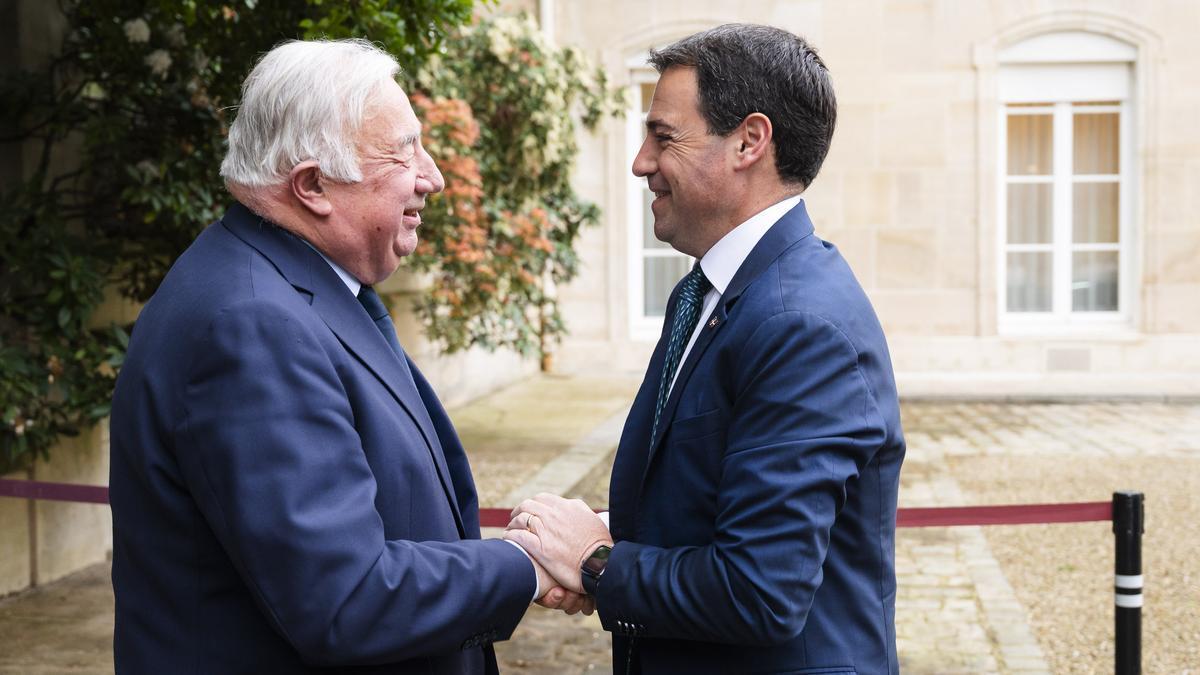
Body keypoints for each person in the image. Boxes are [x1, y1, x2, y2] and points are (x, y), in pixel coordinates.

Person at [109, 38, 587, 674]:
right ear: (313, 186)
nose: (433, 177)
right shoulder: (251, 324)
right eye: (403, 152)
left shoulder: (293, 284)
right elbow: (348, 600)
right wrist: (531, 563)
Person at [505, 24, 905, 674]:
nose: (640, 162)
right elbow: (714, 494)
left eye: (663, 136)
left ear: (750, 140)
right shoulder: (707, 291)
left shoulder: (802, 324)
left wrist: (596, 562)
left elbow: (761, 590)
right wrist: (594, 535)